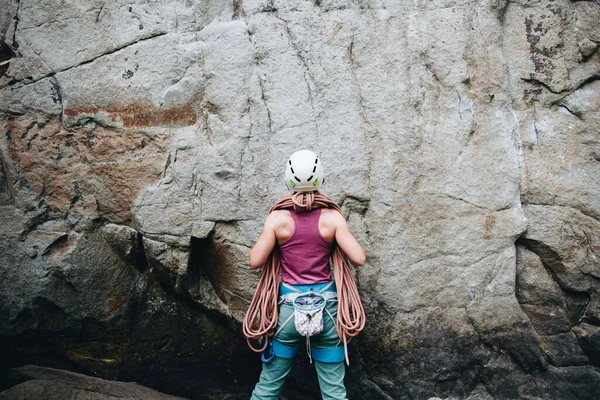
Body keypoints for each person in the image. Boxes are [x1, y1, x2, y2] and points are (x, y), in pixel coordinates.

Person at [246, 149, 366, 400]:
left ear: (288, 179)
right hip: (329, 311)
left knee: (268, 387)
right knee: (334, 392)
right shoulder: (333, 218)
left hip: (288, 310)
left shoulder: (277, 219)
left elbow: (255, 261)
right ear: (319, 177)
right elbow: (359, 258)